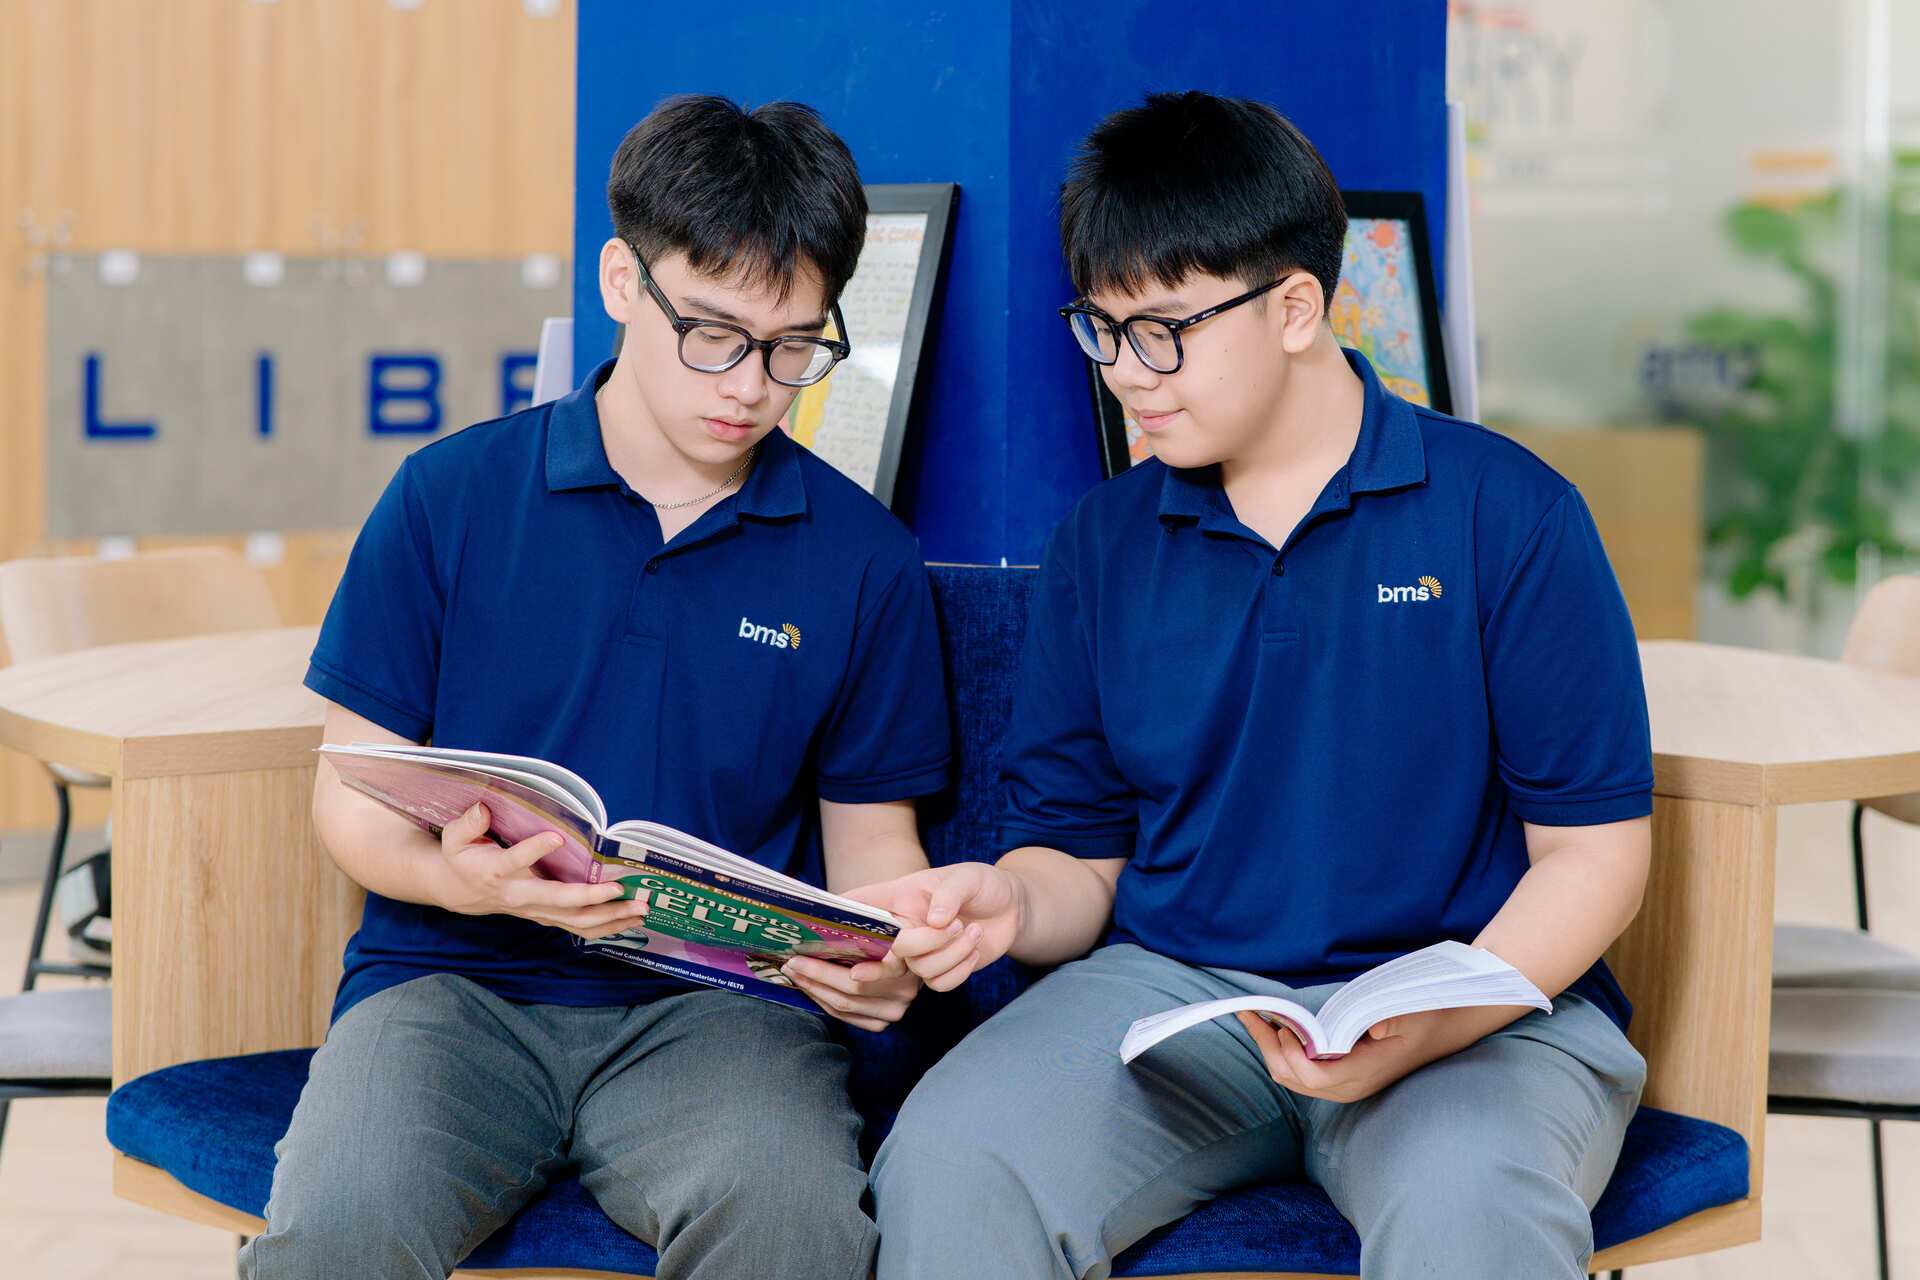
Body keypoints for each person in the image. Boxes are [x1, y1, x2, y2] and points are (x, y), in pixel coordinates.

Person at [862, 90, 1652, 1280]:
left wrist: (1429, 1019)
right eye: (1102, 328)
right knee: (951, 1156)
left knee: (1473, 1208)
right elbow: (1078, 859)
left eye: (1163, 330)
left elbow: (1594, 857)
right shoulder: (1103, 542)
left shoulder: (1510, 512)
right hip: (1177, 1004)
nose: (1127, 374)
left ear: (1295, 307)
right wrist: (1009, 902)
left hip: (1468, 1013)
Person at [241, 94, 952, 1280]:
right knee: (338, 1225)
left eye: (794, 348)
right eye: (714, 334)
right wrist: (460, 878)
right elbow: (348, 797)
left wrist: (885, 949)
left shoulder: (864, 558)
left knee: (796, 1223)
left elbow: (873, 841)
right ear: (624, 281)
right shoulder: (449, 496)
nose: (751, 386)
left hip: (719, 1010)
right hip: (451, 983)